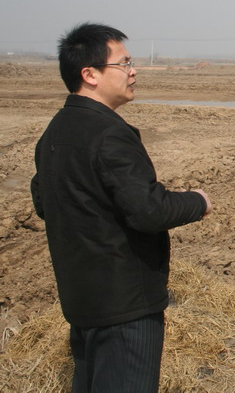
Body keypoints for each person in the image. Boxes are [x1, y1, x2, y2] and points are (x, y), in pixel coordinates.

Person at [30, 23, 212, 392]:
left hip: (82, 300)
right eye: (124, 63)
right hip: (125, 306)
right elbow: (148, 210)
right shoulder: (109, 133)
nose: (133, 71)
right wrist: (198, 201)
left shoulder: (56, 131)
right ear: (90, 74)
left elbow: (45, 202)